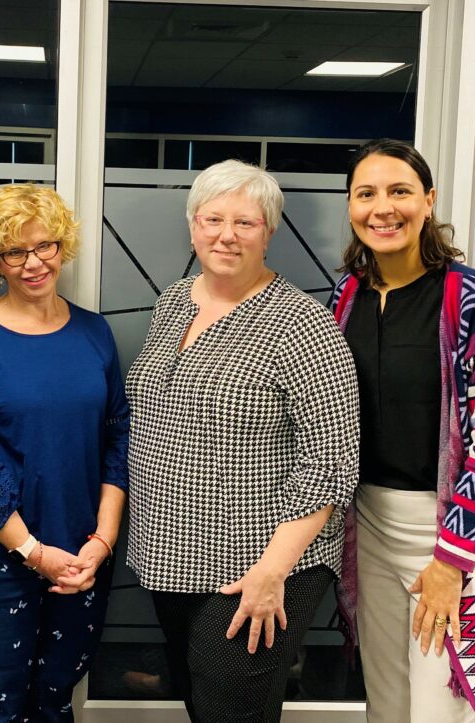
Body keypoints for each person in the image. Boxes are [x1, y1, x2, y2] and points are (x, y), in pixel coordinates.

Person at [126, 159, 360, 723]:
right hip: (168, 555)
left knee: (233, 708)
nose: (226, 235)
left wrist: (271, 573)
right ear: (192, 225)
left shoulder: (302, 324)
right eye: (212, 219)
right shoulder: (174, 302)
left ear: (269, 232)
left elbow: (332, 462)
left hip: (257, 563)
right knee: (198, 697)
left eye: (245, 223)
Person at [329, 139, 475, 723]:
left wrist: (452, 563)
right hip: (368, 524)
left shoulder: (473, 296)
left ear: (428, 201)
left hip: (449, 533)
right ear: (350, 206)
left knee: (443, 708)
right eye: (366, 193)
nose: (383, 208)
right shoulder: (345, 296)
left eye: (400, 191)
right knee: (389, 703)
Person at [0, 185, 129, 721]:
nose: (34, 263)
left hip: (80, 560)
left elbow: (117, 440)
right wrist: (35, 553)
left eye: (45, 246)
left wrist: (103, 543)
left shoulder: (95, 332)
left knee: (54, 704)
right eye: (14, 252)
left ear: (62, 246)